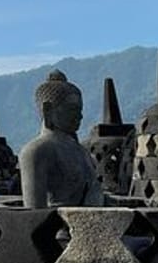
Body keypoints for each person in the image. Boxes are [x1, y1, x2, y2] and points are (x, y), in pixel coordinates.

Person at [19, 70, 104, 209]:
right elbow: (34, 212)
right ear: (48, 109)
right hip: (58, 222)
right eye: (72, 109)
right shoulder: (35, 151)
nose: (80, 116)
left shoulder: (82, 151)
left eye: (80, 110)